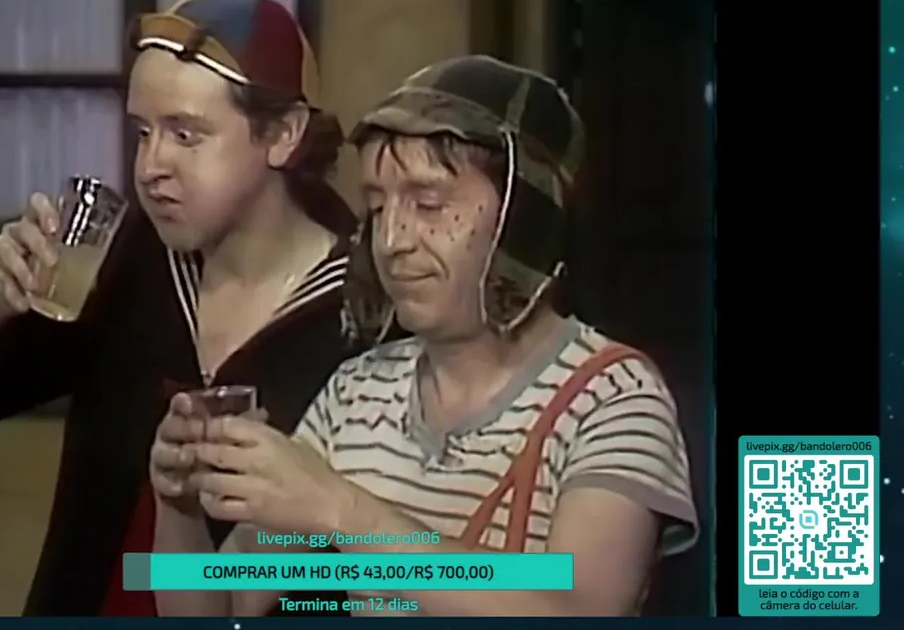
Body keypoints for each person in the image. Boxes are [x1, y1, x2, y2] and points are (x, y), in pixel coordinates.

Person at [0, 0, 377, 616]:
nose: (150, 166)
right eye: (143, 132)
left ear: (283, 134)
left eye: (186, 134)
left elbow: (382, 579)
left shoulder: (365, 311)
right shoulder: (115, 263)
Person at [150, 55, 699, 617]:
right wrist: (178, 511)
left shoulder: (613, 396)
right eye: (378, 206)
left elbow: (579, 609)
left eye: (428, 204)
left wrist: (342, 511)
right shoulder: (356, 393)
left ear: (522, 220)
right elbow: (222, 609)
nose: (391, 241)